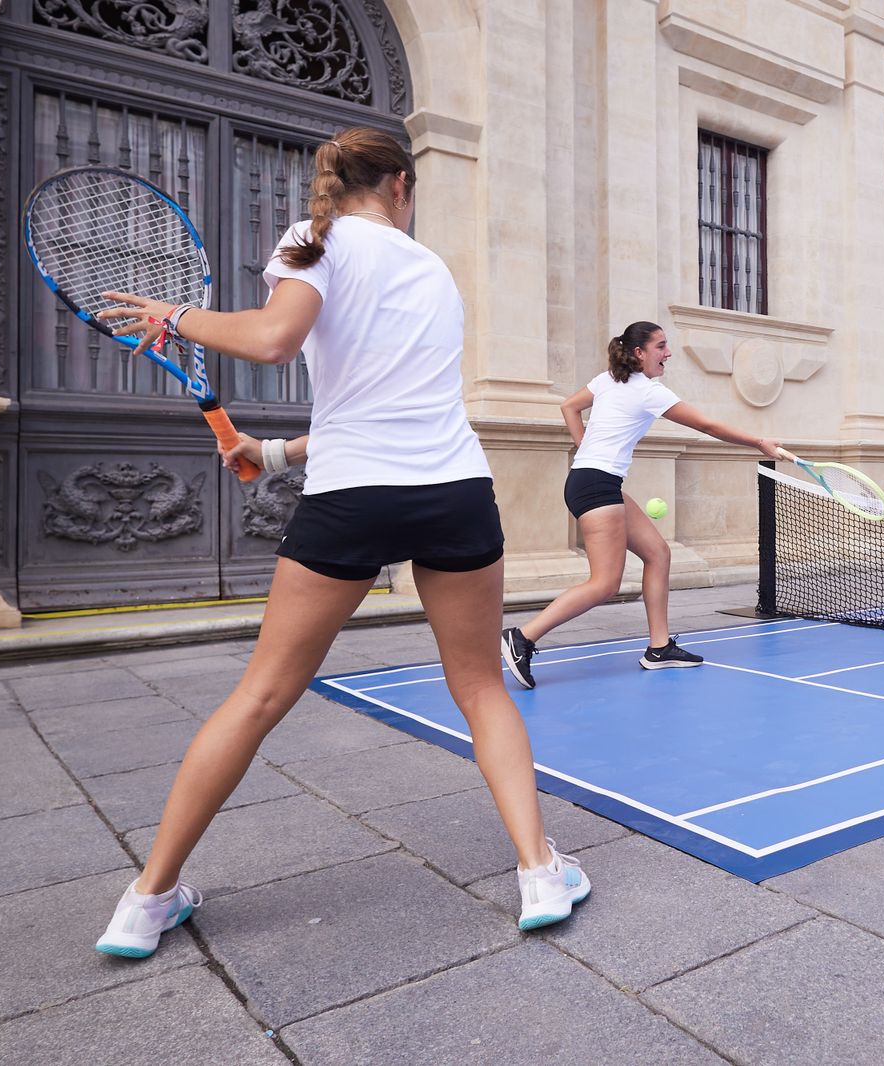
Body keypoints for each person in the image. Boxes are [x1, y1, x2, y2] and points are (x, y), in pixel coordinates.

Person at [92, 127, 589, 955]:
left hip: (355, 496)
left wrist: (174, 316)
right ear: (401, 184)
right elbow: (385, 403)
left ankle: (148, 899)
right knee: (480, 689)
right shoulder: (431, 269)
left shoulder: (311, 240)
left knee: (260, 695)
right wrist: (276, 452)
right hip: (453, 492)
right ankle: (540, 871)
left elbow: (273, 340)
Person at [500, 321, 780, 689]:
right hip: (596, 485)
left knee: (658, 553)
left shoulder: (607, 381)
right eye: (661, 346)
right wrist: (760, 442)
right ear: (639, 353)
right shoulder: (650, 392)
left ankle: (660, 648)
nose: (667, 353)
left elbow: (569, 406)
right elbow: (708, 426)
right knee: (605, 583)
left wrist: (584, 447)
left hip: (594, 481)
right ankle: (522, 637)